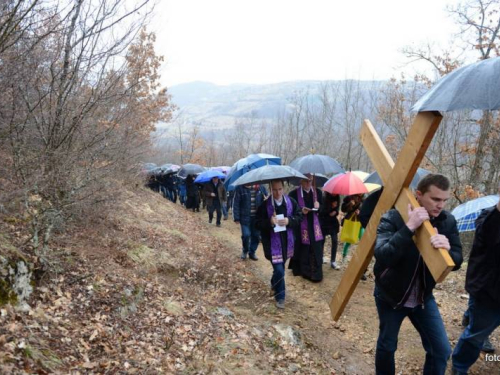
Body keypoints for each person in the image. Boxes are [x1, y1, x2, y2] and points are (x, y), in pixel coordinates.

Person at [373, 173, 463, 375]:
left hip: (423, 297)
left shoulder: (447, 221)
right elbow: (382, 255)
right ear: (419, 195)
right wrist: (409, 227)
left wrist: (449, 251)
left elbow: (457, 258)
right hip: (391, 296)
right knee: (387, 347)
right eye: (435, 199)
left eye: (444, 200)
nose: (440, 205)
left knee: (441, 350)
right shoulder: (393, 217)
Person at [451, 182, 500, 375]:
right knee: (476, 336)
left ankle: (470, 315)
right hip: (489, 292)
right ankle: (460, 366)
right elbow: (487, 234)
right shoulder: (488, 217)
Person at [255, 180, 302, 309]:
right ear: (270, 189)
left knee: (279, 270)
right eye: (274, 190)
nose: (277, 192)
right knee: (280, 270)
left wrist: (289, 220)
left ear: (284, 188)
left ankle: (273, 282)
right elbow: (257, 223)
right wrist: (269, 221)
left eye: (280, 189)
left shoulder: (291, 202)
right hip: (272, 245)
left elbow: (299, 217)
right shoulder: (265, 206)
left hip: (287, 243)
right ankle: (280, 297)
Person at [289, 174, 324, 282]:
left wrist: (319, 207)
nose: (308, 183)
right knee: (302, 247)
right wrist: (301, 210)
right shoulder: (294, 194)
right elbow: (291, 211)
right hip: (301, 225)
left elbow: (323, 210)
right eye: (306, 181)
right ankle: (303, 270)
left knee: (315, 247)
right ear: (301, 181)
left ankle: (316, 273)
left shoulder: (318, 193)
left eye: (310, 181)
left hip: (315, 225)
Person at [233, 184, 268, 260]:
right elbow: (236, 203)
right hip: (245, 217)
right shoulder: (240, 188)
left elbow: (266, 201)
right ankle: (245, 250)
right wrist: (236, 217)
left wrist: (266, 200)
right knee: (246, 235)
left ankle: (252, 252)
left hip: (257, 218)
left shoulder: (260, 188)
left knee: (256, 235)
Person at [319, 191, 341, 270]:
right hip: (324, 221)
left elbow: (337, 209)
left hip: (333, 222)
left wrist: (336, 211)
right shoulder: (324, 198)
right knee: (322, 240)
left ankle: (333, 261)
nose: (334, 193)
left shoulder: (337, 197)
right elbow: (321, 211)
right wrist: (330, 208)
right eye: (333, 192)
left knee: (335, 240)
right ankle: (321, 257)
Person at [340, 193, 363, 261]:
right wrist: (350, 204)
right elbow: (343, 210)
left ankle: (361, 256)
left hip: (360, 222)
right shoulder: (348, 198)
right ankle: (344, 255)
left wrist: (359, 213)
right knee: (349, 239)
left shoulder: (364, 199)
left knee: (362, 238)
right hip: (351, 221)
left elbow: (366, 211)